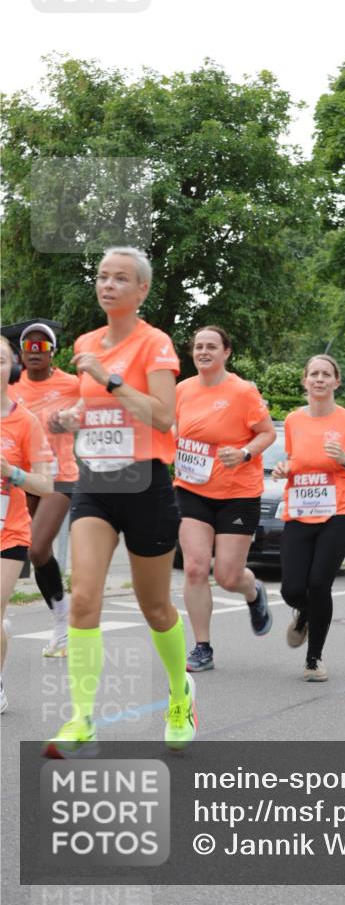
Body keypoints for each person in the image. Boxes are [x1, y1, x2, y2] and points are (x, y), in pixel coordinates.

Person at [43, 246, 196, 757]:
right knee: (84, 598)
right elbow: (96, 413)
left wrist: (108, 378)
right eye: (103, 277)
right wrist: (70, 418)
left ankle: (180, 695)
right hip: (96, 483)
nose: (108, 285)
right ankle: (82, 718)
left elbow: (162, 416)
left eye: (120, 278)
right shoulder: (87, 342)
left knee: (155, 607)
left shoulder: (154, 344)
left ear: (142, 290)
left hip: (145, 484)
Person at [174, 326, 276, 672]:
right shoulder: (182, 390)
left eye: (211, 347)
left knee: (228, 576)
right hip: (191, 489)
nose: (204, 352)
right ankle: (202, 647)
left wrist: (246, 453)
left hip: (238, 493)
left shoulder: (243, 391)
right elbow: (172, 430)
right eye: (198, 347)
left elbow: (267, 433)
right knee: (195, 567)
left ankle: (253, 591)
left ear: (226, 352)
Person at [272, 355, 345, 681]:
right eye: (313, 374)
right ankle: (302, 613)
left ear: (336, 382)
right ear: (304, 381)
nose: (319, 379)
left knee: (319, 584)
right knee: (291, 589)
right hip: (299, 511)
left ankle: (313, 659)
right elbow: (293, 461)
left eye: (326, 374)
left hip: (338, 513)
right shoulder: (292, 421)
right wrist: (283, 468)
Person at [9, 323, 80, 656]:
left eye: (42, 347)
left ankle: (62, 625)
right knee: (25, 551)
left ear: (53, 352)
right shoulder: (11, 385)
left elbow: (98, 406)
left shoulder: (71, 384)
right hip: (19, 479)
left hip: (59, 476)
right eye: (29, 347)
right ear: (21, 353)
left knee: (36, 549)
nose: (35, 352)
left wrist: (75, 416)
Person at [1, 335, 54, 712]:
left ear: (12, 367)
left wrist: (13, 473)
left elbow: (46, 484)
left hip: (9, 532)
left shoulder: (26, 421)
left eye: (0, 360)